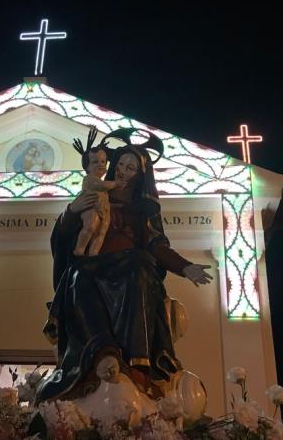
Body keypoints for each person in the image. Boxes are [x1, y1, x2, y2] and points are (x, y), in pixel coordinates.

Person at [36, 129, 212, 403]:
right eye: (120, 166)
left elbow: (156, 246)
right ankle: (103, 351)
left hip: (130, 266)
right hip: (93, 266)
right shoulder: (95, 194)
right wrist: (71, 211)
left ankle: (138, 365)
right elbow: (64, 237)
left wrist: (185, 267)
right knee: (77, 275)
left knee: (141, 263)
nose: (123, 172)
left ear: (140, 175)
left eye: (131, 168)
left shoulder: (144, 211)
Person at [72, 127, 126, 256]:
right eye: (95, 161)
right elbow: (101, 186)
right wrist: (116, 184)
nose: (100, 164)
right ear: (87, 166)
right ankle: (80, 248)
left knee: (101, 231)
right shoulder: (89, 179)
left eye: (103, 161)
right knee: (90, 226)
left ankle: (94, 253)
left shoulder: (104, 184)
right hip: (91, 208)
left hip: (104, 210)